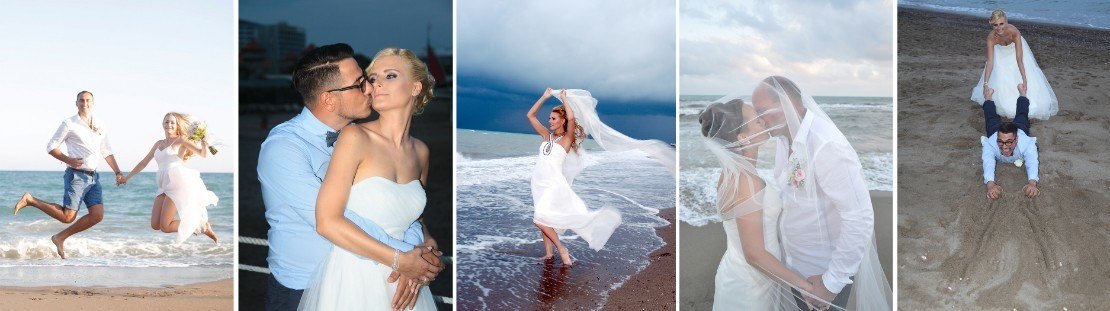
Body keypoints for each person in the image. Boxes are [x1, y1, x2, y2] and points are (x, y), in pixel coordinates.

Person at [258, 44, 442, 311]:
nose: (370, 88)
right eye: (361, 83)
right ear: (329, 99)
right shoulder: (283, 148)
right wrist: (409, 258)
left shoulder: (392, 144)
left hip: (386, 276)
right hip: (304, 287)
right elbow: (333, 221)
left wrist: (420, 245)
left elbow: (406, 213)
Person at [749, 76, 891, 310]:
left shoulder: (826, 145)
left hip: (822, 274)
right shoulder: (784, 139)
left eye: (762, 111)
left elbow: (859, 216)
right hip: (796, 267)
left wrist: (831, 284)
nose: (759, 120)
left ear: (789, 104)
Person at [13, 90, 125, 259]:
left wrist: (117, 171)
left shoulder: (100, 125)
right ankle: (31, 200)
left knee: (97, 215)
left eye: (88, 100)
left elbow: (106, 151)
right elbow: (51, 146)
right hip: (77, 176)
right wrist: (69, 160)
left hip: (94, 178)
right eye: (82, 100)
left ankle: (60, 237)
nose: (85, 103)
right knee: (67, 217)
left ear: (93, 103)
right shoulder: (69, 124)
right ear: (76, 103)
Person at [525, 88, 621, 266]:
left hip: (553, 185)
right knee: (545, 218)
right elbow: (530, 115)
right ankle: (548, 254)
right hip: (538, 183)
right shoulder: (546, 136)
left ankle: (561, 248)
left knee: (538, 219)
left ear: (562, 120)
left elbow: (572, 119)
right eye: (549, 118)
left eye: (553, 118)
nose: (550, 121)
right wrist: (544, 97)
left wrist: (564, 100)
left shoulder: (566, 139)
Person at [118, 112, 219, 245]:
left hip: (177, 183)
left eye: (172, 122)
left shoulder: (181, 140)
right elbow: (144, 162)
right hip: (163, 185)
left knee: (165, 227)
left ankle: (200, 226)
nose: (169, 124)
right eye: (166, 122)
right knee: (155, 225)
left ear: (177, 125)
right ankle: (197, 226)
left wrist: (204, 142)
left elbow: (203, 154)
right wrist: (127, 177)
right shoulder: (159, 143)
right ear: (162, 124)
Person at [970, 9, 1058, 120]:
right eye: (995, 25)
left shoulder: (1014, 32)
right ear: (992, 25)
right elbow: (990, 61)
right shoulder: (991, 37)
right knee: (1001, 75)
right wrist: (985, 84)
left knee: (1022, 73)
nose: (999, 28)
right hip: (1001, 53)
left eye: (1001, 24)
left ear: (1006, 22)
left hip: (1016, 50)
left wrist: (1024, 80)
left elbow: (1019, 59)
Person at [981, 84, 1040, 200]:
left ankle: (1022, 93)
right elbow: (988, 162)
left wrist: (1032, 183)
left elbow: (1032, 162)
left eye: (1009, 142)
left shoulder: (1027, 144)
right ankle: (988, 96)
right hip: (995, 130)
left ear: (1016, 139)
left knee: (1022, 115)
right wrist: (990, 184)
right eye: (1001, 142)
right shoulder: (991, 143)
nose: (1004, 147)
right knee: (990, 118)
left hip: (1019, 128)